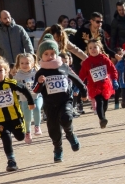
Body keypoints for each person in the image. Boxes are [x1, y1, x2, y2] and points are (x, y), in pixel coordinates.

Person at [33, 34, 87, 163]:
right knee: (53, 130)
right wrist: (40, 83)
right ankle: (58, 148)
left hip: (65, 101)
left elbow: (77, 79)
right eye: (46, 54)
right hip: (50, 105)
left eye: (52, 53)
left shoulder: (64, 67)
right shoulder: (40, 72)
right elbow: (35, 91)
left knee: (67, 118)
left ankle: (70, 134)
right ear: (41, 56)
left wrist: (84, 92)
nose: (50, 56)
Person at [0, 57, 35, 171]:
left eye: (0, 70)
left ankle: (22, 133)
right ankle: (11, 161)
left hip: (16, 117)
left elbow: (24, 89)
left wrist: (30, 102)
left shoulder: (11, 83)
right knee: (6, 138)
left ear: (6, 71)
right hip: (1, 120)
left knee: (20, 137)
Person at [78, 39, 118, 129]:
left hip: (105, 85)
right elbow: (81, 75)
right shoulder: (87, 62)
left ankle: (102, 118)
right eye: (90, 48)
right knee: (99, 102)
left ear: (100, 48)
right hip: (94, 86)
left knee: (105, 104)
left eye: (95, 47)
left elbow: (113, 69)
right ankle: (102, 118)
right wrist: (78, 86)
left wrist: (114, 80)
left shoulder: (104, 59)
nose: (93, 49)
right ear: (88, 50)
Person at [12, 53, 42, 143]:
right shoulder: (17, 76)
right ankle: (27, 132)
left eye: (27, 63)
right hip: (24, 99)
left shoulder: (37, 72)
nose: (24, 65)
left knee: (37, 109)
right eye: (22, 63)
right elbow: (15, 88)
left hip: (36, 96)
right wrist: (19, 91)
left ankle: (37, 126)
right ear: (18, 64)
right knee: (27, 117)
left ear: (32, 63)